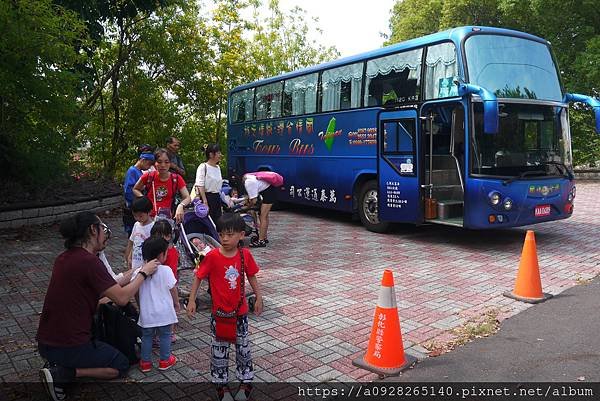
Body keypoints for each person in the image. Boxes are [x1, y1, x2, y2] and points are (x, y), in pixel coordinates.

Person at [37, 211, 159, 401]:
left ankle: (58, 363)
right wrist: (144, 273)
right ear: (93, 230)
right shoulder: (89, 262)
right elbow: (122, 298)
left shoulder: (64, 258)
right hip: (70, 344)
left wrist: (134, 272)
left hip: (47, 342)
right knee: (120, 364)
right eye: (102, 228)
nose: (105, 233)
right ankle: (63, 373)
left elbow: (105, 292)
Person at [186, 213, 263, 401]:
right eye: (221, 235)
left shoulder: (245, 255)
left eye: (230, 234)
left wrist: (259, 297)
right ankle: (221, 385)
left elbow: (251, 275)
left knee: (243, 349)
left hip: (240, 314)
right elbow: (198, 276)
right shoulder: (212, 256)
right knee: (219, 351)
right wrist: (192, 300)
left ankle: (246, 382)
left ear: (241, 235)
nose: (225, 239)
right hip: (219, 315)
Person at [135, 237, 179, 373]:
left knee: (146, 337)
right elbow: (173, 288)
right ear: (161, 255)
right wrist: (176, 302)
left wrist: (139, 305)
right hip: (164, 312)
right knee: (165, 336)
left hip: (147, 313)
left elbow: (135, 290)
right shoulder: (166, 270)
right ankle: (165, 360)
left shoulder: (139, 272)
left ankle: (145, 363)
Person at [132, 148, 192, 224]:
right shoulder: (149, 176)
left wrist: (181, 206)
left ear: (170, 163)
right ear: (154, 163)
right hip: (148, 219)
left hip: (167, 219)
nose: (163, 165)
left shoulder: (176, 178)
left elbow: (187, 197)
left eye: (166, 162)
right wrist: (144, 200)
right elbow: (135, 189)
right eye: (159, 162)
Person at [150, 219, 180, 342]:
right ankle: (158, 333)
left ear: (168, 236)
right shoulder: (157, 249)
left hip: (167, 284)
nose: (157, 239)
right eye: (155, 235)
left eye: (160, 235)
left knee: (169, 309)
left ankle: (170, 333)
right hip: (157, 284)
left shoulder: (170, 252)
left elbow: (171, 272)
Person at [123, 150, 155, 236]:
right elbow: (128, 191)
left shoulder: (139, 172)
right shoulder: (132, 171)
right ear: (143, 160)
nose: (149, 167)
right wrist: (140, 201)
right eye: (148, 164)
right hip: (133, 207)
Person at [242, 173, 277, 248]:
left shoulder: (248, 183)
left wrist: (247, 207)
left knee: (263, 217)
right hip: (270, 192)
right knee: (264, 216)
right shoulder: (252, 178)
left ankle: (261, 241)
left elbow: (253, 201)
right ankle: (264, 237)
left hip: (268, 194)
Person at [194, 144, 223, 223]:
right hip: (207, 197)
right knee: (207, 221)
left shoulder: (218, 168)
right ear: (211, 154)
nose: (220, 155)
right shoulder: (203, 167)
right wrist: (205, 201)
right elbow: (200, 184)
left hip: (216, 197)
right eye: (218, 153)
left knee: (217, 222)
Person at [124, 197, 155, 270]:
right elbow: (132, 242)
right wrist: (129, 256)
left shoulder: (153, 227)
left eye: (140, 216)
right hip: (135, 263)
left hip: (145, 265)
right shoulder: (136, 225)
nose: (137, 218)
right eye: (135, 216)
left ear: (149, 212)